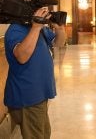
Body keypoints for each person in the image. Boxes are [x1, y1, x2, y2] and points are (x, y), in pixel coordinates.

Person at [4, 7, 66, 139]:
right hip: (27, 96)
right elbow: (21, 56)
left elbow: (58, 44)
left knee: (43, 134)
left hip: (39, 94)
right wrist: (36, 27)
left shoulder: (39, 28)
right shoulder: (16, 29)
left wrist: (60, 29)